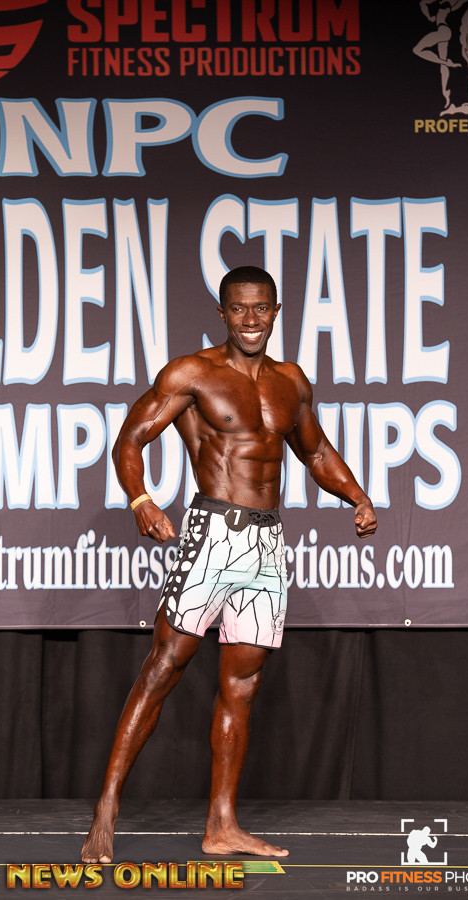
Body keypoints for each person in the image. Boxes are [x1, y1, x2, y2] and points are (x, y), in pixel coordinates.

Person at [81, 266, 377, 863]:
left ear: (276, 311)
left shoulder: (292, 382)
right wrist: (141, 501)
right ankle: (107, 807)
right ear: (222, 313)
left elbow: (315, 450)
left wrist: (357, 496)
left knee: (241, 685)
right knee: (164, 666)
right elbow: (129, 440)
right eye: (238, 308)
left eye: (260, 307)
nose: (250, 319)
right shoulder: (192, 373)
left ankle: (222, 824)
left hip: (266, 545)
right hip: (213, 533)